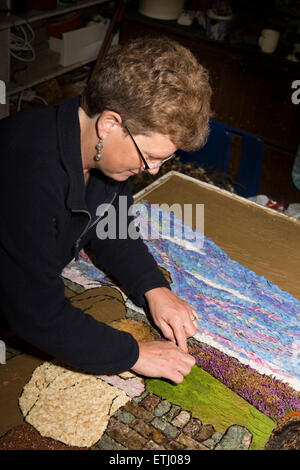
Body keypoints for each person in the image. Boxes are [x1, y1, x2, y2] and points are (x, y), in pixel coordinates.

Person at [0, 36, 212, 384]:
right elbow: (33, 311)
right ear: (110, 124)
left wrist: (153, 287)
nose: (153, 169)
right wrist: (134, 353)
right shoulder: (25, 171)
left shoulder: (103, 157)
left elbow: (113, 227)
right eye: (150, 157)